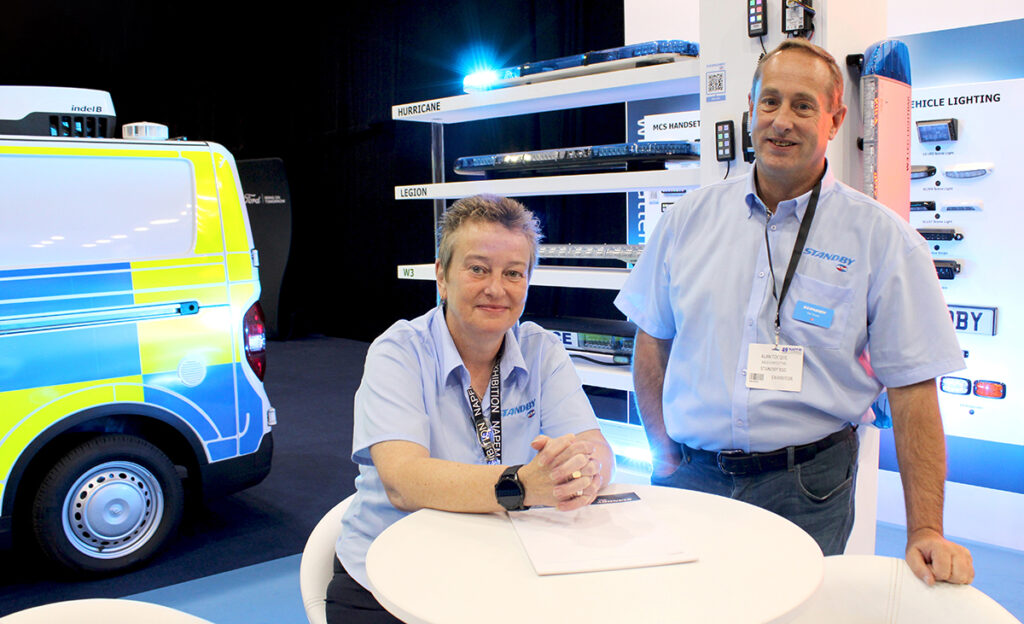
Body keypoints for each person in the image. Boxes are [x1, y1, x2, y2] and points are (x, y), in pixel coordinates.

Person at [614, 39, 974, 585]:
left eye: (803, 105)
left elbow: (913, 391)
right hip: (694, 476)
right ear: (750, 112)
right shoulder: (687, 219)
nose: (782, 121)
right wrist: (663, 450)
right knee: (685, 607)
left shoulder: (883, 241)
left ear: (835, 118)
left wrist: (925, 530)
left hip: (808, 485)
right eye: (770, 102)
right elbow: (653, 339)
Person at [329, 194, 615, 622]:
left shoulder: (542, 350)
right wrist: (523, 485)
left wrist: (580, 472)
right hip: (392, 573)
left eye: (513, 273)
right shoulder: (399, 352)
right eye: (478, 268)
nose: (496, 288)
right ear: (442, 277)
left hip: (504, 567)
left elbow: (596, 449)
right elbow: (403, 482)